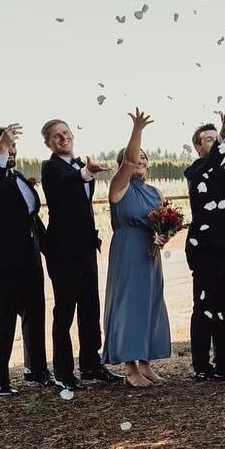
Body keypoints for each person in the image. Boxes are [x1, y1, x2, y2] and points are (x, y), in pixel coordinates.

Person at [0, 124, 51, 396]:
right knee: (3, 321)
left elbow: (31, 218)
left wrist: (50, 248)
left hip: (30, 260)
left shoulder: (18, 179)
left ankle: (37, 369)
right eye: (6, 146)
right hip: (2, 263)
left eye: (14, 146)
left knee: (35, 315)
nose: (12, 150)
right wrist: (2, 157)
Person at [39, 118, 119, 389]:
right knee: (64, 311)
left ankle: (91, 365)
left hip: (86, 247)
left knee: (90, 307)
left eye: (65, 133)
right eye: (56, 136)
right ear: (48, 143)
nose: (62, 138)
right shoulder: (50, 168)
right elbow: (66, 185)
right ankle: (63, 372)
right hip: (62, 251)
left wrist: (85, 172)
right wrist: (86, 172)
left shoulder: (77, 167)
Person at [100, 109, 172, 387]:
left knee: (150, 302)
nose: (139, 160)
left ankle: (145, 364)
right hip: (128, 250)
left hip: (150, 253)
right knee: (129, 304)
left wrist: (164, 237)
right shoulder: (119, 187)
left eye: (144, 157)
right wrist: (138, 129)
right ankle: (130, 368)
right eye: (135, 157)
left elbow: (165, 225)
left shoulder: (156, 193)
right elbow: (129, 159)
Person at [183, 112, 225, 381]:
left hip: (224, 244)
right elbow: (213, 161)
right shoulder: (197, 170)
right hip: (204, 245)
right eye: (208, 139)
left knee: (223, 304)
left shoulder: (220, 172)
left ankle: (224, 362)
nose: (214, 142)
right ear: (198, 147)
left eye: (215, 139)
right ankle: (200, 365)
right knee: (204, 304)